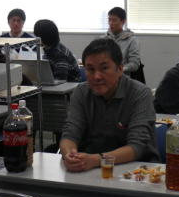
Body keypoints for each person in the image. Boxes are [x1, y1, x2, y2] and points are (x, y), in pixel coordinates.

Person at [60, 38, 157, 171]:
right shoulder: (81, 92)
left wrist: (96, 160)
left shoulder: (140, 93)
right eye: (90, 69)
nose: (97, 76)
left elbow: (137, 147)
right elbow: (70, 133)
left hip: (135, 170)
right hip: (89, 168)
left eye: (104, 68)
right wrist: (70, 155)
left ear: (120, 69)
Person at [103, 7, 142, 79]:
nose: (111, 23)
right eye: (109, 20)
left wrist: (120, 69)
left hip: (122, 78)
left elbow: (135, 64)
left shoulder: (132, 40)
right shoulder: (103, 39)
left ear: (123, 21)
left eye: (114, 20)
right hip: (104, 76)